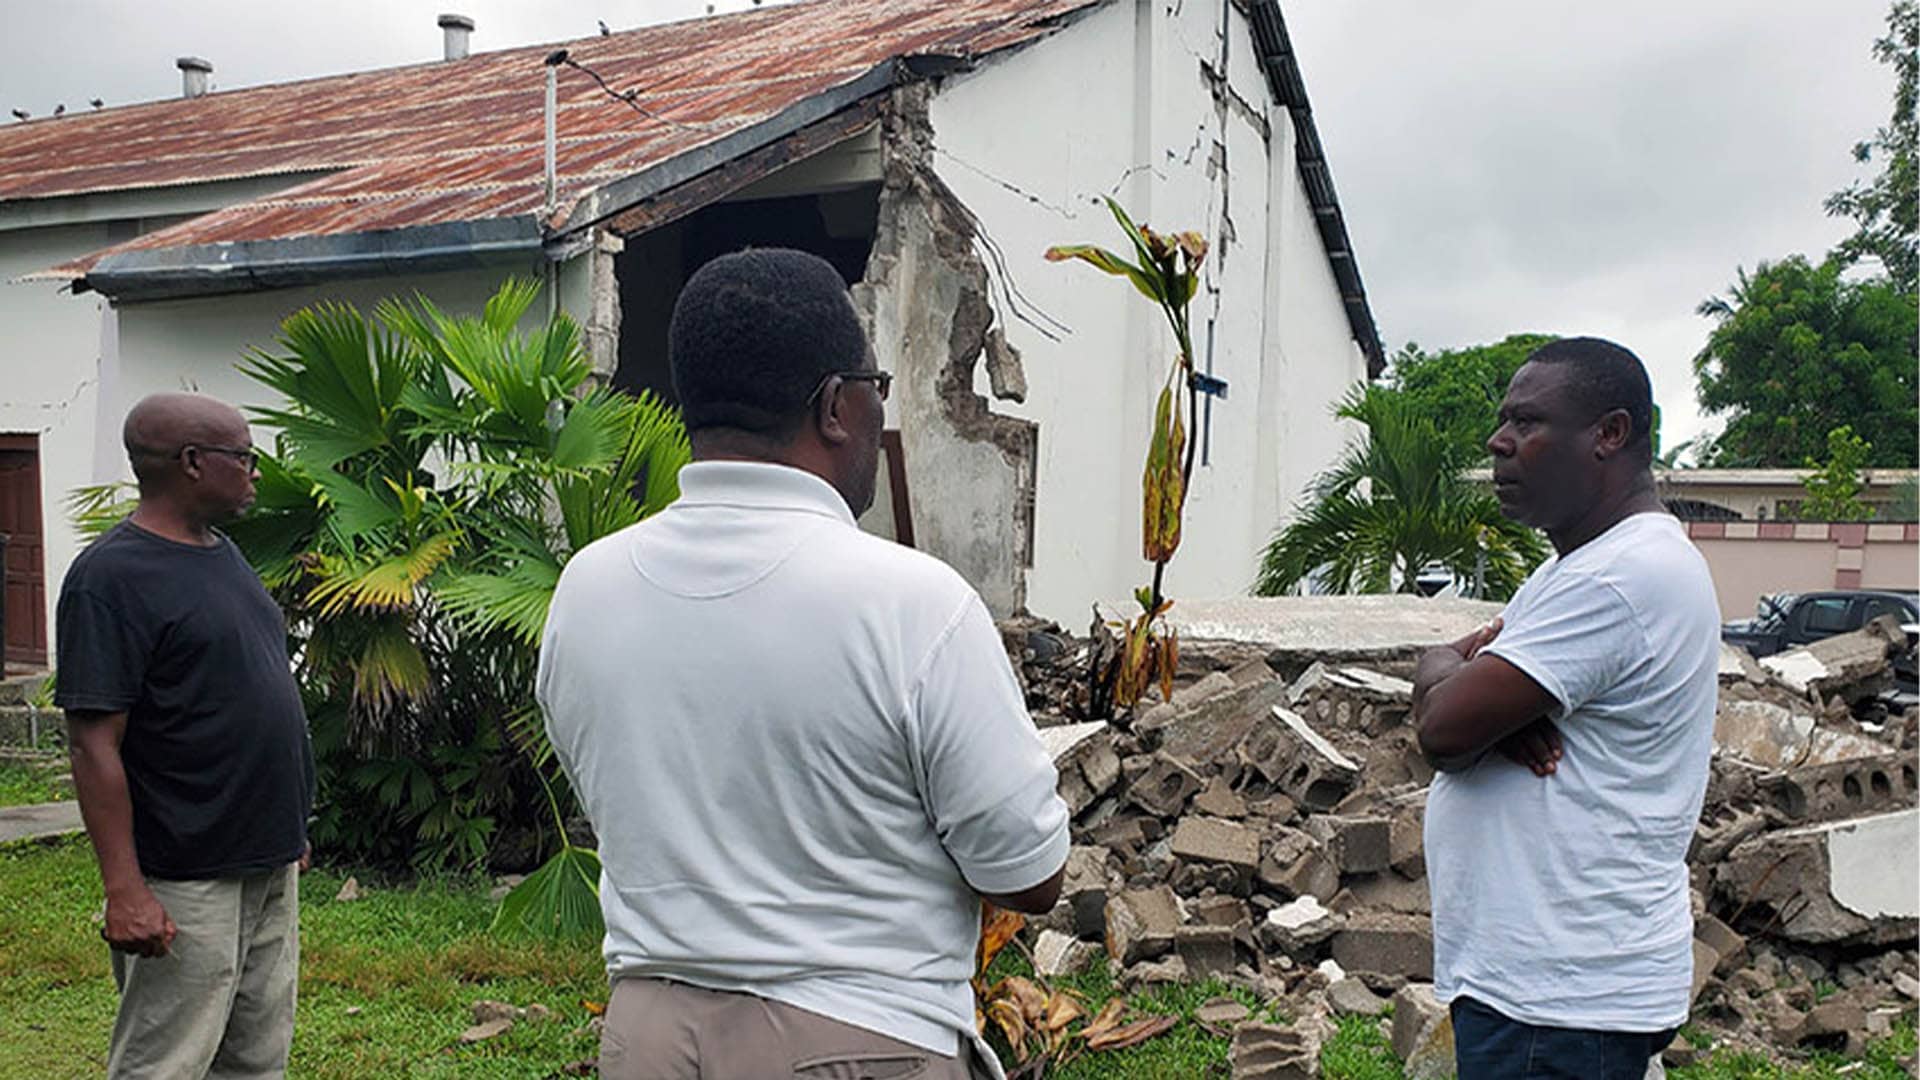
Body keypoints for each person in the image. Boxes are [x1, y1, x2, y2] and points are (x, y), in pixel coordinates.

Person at [538, 248, 1070, 1080]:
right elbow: (1027, 874)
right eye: (875, 389)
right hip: (859, 1041)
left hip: (647, 1037)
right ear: (835, 405)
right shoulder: (914, 605)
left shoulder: (586, 592)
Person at [1412, 338, 1720, 1079]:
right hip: (1544, 991)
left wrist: (1453, 680)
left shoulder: (1620, 576)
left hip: (1559, 1005)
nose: (1498, 441)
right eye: (1502, 422)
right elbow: (1456, 703)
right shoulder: (1575, 568)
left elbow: (1442, 730)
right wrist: (1455, 677)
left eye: (1527, 422)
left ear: (1609, 435)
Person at [56, 392, 314, 1079]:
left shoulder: (220, 553)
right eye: (246, 458)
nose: (257, 472)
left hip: (265, 860)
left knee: (256, 1059)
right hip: (185, 874)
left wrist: (287, 832)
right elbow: (92, 744)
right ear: (194, 463)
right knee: (166, 1062)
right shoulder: (111, 578)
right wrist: (125, 889)